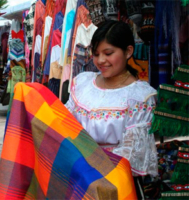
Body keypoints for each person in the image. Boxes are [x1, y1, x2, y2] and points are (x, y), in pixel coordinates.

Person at [65, 20, 158, 199]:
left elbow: (131, 154)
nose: (100, 61)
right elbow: (64, 124)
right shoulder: (83, 83)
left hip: (115, 183)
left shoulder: (141, 97)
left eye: (108, 53)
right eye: (96, 53)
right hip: (77, 178)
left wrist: (90, 167)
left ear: (128, 51)